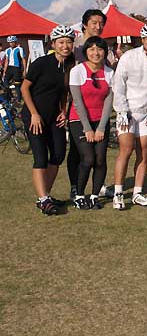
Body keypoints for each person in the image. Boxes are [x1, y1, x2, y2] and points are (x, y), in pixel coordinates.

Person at [111, 23, 147, 210]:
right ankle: (118, 194)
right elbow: (118, 84)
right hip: (127, 111)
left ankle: (137, 193)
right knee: (126, 150)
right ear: (143, 39)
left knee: (143, 152)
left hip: (146, 113)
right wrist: (121, 110)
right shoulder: (129, 57)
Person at [21, 26, 75, 215]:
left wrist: (63, 110)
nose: (65, 46)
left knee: (59, 155)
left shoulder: (70, 65)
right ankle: (43, 200)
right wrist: (34, 114)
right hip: (33, 115)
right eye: (61, 42)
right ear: (53, 44)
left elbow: (63, 92)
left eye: (68, 41)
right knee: (40, 157)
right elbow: (24, 89)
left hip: (54, 117)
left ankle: (46, 196)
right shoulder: (41, 63)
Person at [68, 36, 114, 210]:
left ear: (105, 52)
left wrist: (101, 127)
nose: (96, 53)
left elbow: (109, 101)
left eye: (100, 49)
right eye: (92, 49)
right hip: (79, 120)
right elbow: (77, 102)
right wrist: (87, 128)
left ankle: (94, 195)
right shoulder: (78, 71)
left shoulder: (109, 72)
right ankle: (79, 195)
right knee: (88, 159)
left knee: (100, 159)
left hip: (100, 121)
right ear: (86, 51)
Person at [3, 36, 26, 100]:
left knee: (17, 84)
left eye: (12, 42)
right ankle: (10, 96)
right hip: (9, 68)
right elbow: (6, 61)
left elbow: (23, 60)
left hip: (17, 68)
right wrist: (4, 71)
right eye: (10, 42)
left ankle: (19, 98)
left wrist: (24, 70)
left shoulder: (20, 49)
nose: (11, 43)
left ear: (15, 42)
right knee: (5, 82)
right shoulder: (7, 50)